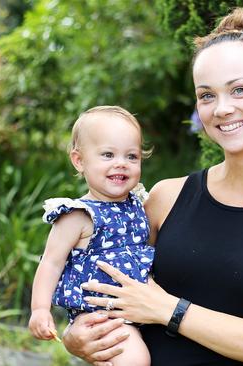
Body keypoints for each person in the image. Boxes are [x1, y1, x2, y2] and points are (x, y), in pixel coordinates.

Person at [61, 7, 243, 366]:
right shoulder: (166, 197)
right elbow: (100, 281)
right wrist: (76, 336)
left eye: (239, 90)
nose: (222, 108)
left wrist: (168, 309)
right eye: (207, 95)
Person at [28, 105, 154, 366]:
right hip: (104, 314)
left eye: (132, 156)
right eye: (108, 154)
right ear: (79, 160)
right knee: (135, 360)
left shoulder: (138, 203)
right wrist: (40, 309)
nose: (121, 163)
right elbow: (51, 262)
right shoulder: (79, 215)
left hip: (141, 308)